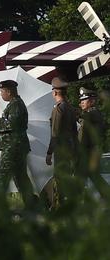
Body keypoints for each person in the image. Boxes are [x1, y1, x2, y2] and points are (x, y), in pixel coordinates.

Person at [0, 80, 37, 210]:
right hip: (16, 146)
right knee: (20, 178)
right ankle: (32, 206)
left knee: (1, 177)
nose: (1, 94)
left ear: (8, 92)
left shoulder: (16, 105)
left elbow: (12, 125)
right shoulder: (14, 105)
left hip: (12, 147)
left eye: (2, 91)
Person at [45, 77, 78, 209]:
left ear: (55, 92)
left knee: (59, 178)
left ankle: (59, 207)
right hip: (70, 148)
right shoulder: (70, 107)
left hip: (61, 149)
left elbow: (55, 133)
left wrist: (49, 152)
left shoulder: (58, 109)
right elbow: (75, 131)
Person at [76, 88, 110, 200]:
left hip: (87, 151)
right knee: (92, 175)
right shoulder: (91, 114)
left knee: (80, 176)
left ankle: (77, 201)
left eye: (84, 100)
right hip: (90, 150)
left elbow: (83, 135)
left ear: (92, 101)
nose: (81, 103)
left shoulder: (92, 114)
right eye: (81, 100)